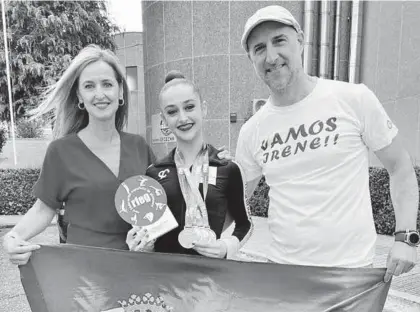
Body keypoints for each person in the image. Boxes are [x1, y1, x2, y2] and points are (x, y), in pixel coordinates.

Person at [235, 5, 419, 282]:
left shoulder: (353, 98)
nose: (271, 56)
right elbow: (236, 202)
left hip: (351, 276)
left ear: (300, 40)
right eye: (259, 48)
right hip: (284, 277)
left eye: (279, 40)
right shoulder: (252, 130)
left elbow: (401, 167)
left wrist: (406, 238)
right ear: (251, 58)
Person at [2, 44, 156, 265]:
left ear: (120, 91)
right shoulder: (61, 152)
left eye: (107, 84)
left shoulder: (139, 146)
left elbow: (166, 199)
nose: (100, 94)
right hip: (84, 275)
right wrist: (13, 237)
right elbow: (43, 209)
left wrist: (213, 164)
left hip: (136, 268)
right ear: (79, 96)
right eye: (89, 86)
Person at [126, 71, 253, 259]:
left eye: (189, 107)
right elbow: (148, 234)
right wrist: (142, 246)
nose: (183, 118)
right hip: (164, 279)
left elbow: (245, 224)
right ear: (163, 119)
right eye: (172, 112)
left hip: (208, 280)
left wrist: (227, 247)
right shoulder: (153, 173)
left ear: (204, 109)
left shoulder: (228, 168)